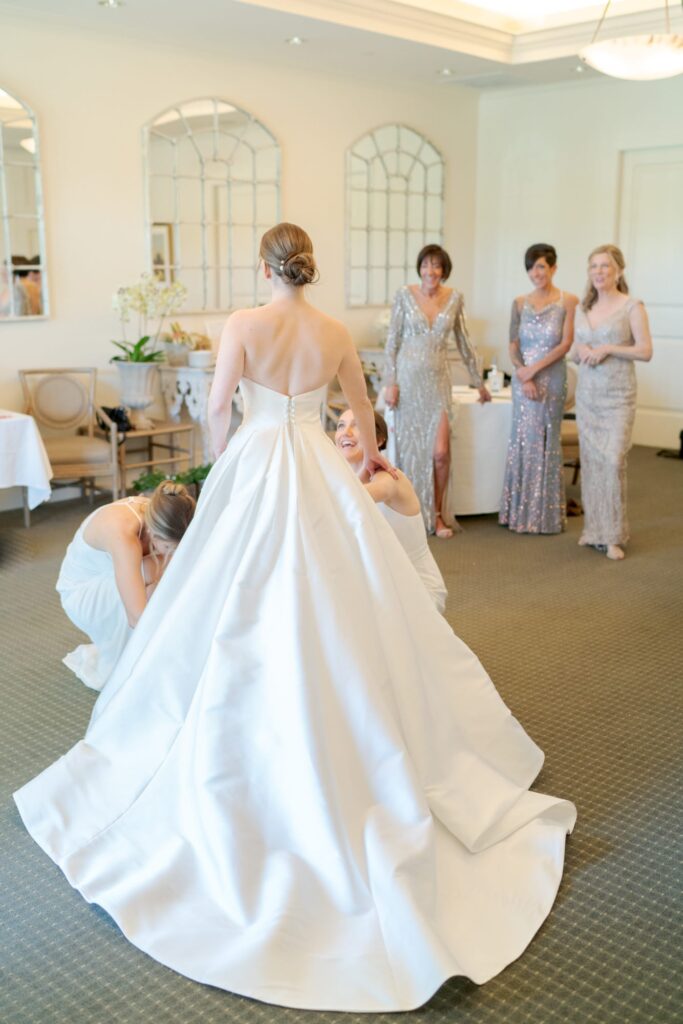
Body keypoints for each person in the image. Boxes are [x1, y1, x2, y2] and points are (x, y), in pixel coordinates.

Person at [15, 223, 575, 1014]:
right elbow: (363, 418)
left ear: (263, 267)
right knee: (341, 597)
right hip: (314, 467)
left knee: (236, 599)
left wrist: (235, 462)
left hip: (254, 464)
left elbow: (218, 411)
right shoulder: (334, 330)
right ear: (309, 268)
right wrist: (370, 462)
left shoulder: (242, 325)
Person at [384, 244, 491, 538]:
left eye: (437, 266)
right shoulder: (404, 296)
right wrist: (390, 382)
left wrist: (478, 381)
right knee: (410, 452)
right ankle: (410, 515)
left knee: (441, 453)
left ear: (444, 271)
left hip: (438, 383)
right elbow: (392, 342)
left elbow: (465, 342)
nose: (430, 271)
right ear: (419, 268)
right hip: (407, 382)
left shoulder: (454, 298)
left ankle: (439, 515)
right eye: (426, 265)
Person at [57, 481, 196, 691]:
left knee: (176, 567)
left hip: (113, 577)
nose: (170, 553)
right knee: (162, 570)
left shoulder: (163, 512)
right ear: (155, 534)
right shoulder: (123, 534)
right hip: (82, 594)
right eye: (168, 547)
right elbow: (137, 617)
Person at [571, 244, 652, 560]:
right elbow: (576, 350)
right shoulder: (582, 308)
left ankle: (614, 535)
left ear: (618, 270)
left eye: (605, 266)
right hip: (588, 395)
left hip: (618, 395)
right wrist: (583, 352)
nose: (599, 272)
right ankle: (595, 531)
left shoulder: (632, 306)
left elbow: (645, 351)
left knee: (614, 459)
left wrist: (608, 348)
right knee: (592, 463)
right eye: (593, 266)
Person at [336, 407, 447, 613]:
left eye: (357, 426)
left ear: (378, 440)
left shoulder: (388, 478)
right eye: (341, 425)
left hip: (414, 586)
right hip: (375, 580)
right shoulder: (340, 480)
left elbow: (367, 495)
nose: (346, 432)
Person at [499, 244, 578, 534]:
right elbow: (512, 344)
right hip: (524, 382)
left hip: (553, 377)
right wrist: (523, 374)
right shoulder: (519, 302)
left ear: (553, 268)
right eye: (531, 267)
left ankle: (545, 516)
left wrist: (534, 370)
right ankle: (519, 513)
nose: (536, 273)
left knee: (547, 439)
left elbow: (565, 343)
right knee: (522, 441)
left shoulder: (568, 300)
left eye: (542, 266)